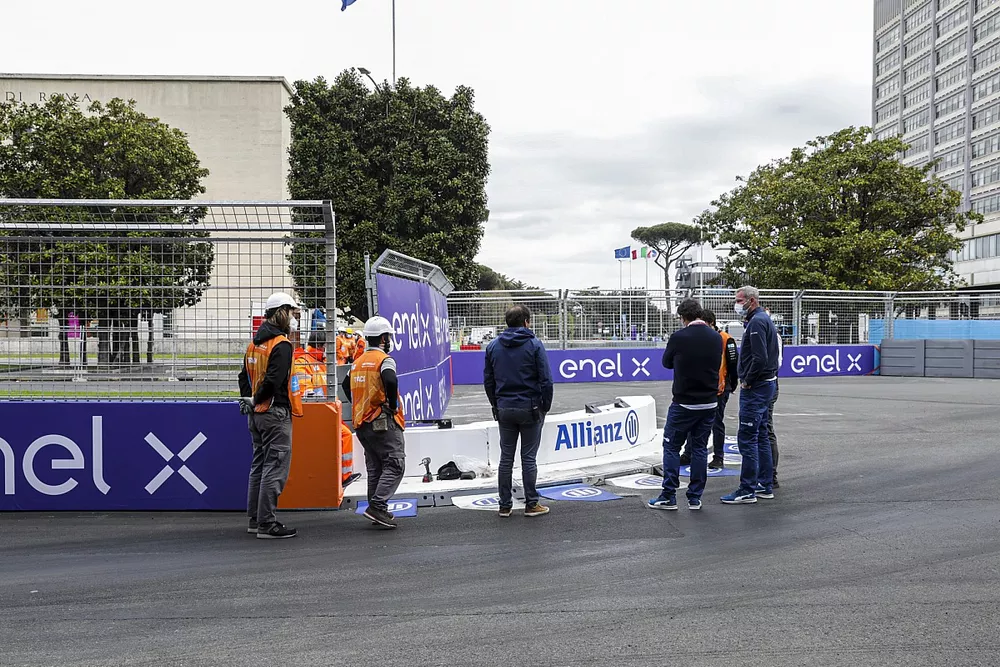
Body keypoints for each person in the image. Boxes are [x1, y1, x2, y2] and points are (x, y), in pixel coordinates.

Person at [238, 291, 303, 539]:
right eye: (292, 313)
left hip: (257, 414)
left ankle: (255, 519)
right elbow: (275, 380)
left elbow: (243, 376)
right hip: (274, 413)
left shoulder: (254, 343)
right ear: (281, 313)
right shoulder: (281, 345)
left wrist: (251, 401)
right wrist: (258, 399)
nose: (294, 318)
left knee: (259, 465)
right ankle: (267, 523)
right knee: (275, 467)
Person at [648, 299, 722, 511]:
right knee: (699, 448)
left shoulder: (679, 337)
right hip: (708, 402)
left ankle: (669, 495)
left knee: (671, 446)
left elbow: (666, 362)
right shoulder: (715, 337)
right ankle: (695, 497)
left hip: (684, 402)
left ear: (683, 317)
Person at [483, 304, 554, 518]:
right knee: (528, 458)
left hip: (504, 408)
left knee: (506, 458)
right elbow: (546, 380)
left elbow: (488, 381)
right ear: (526, 322)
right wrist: (545, 406)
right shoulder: (534, 344)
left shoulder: (493, 346)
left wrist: (495, 404)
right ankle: (531, 504)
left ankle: (505, 505)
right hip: (530, 408)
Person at [341, 316, 406, 528]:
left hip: (362, 422)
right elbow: (390, 379)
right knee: (395, 463)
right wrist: (392, 404)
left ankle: (377, 509)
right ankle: (378, 506)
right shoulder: (384, 359)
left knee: (376, 466)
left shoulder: (357, 361)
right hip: (381, 420)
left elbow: (344, 384)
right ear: (383, 338)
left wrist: (359, 404)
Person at [721, 286, 779, 505]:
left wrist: (747, 380)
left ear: (751, 301)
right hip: (766, 385)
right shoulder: (761, 319)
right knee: (761, 434)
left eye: (739, 300)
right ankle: (764, 483)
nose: (736, 304)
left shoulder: (756, 322)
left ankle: (747, 489)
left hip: (757, 388)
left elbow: (760, 357)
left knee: (747, 438)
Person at [676, 309, 738, 471]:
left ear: (710, 323)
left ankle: (718, 457)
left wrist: (732, 384)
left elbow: (733, 364)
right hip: (702, 387)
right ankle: (688, 454)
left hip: (720, 387)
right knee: (693, 421)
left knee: (717, 423)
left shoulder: (726, 339)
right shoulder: (701, 339)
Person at [765, 311, 783, 488]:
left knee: (766, 428)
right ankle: (765, 472)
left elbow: (776, 363)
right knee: (762, 428)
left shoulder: (773, 335)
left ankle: (771, 474)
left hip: (768, 383)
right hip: (766, 383)